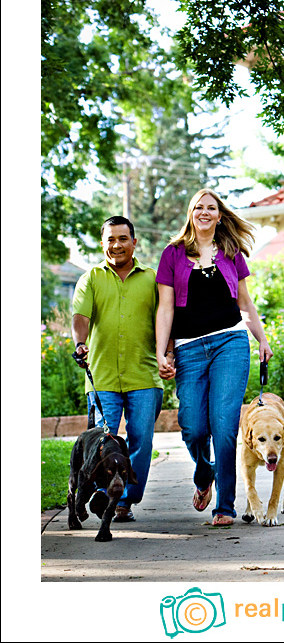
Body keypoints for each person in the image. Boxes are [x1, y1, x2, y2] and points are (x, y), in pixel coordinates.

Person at [155, 188, 273, 527]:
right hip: (189, 348)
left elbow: (245, 304)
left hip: (230, 344)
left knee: (224, 427)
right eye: (198, 207)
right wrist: (163, 351)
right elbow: (165, 307)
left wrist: (261, 339)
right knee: (192, 426)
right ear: (190, 213)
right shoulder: (172, 254)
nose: (205, 212)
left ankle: (225, 504)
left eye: (211, 207)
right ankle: (204, 471)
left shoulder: (232, 252)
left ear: (220, 215)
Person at [72, 216, 163, 522]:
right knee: (101, 444)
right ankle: (98, 493)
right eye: (110, 239)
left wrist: (170, 354)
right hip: (103, 377)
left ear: (134, 242)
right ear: (103, 244)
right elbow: (81, 316)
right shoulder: (91, 278)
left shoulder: (151, 279)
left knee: (141, 440)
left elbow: (165, 320)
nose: (116, 245)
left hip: (144, 375)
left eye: (122, 238)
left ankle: (124, 499)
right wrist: (80, 343)